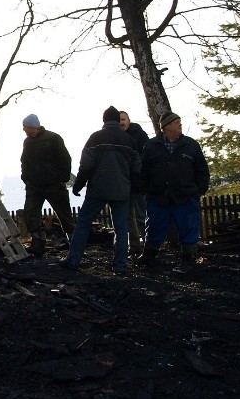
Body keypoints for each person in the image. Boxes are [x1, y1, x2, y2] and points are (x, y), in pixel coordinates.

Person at [62, 106, 140, 274]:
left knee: (83, 224)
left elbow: (86, 166)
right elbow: (136, 169)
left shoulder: (95, 138)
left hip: (98, 190)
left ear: (104, 120)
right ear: (117, 121)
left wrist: (78, 185)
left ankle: (73, 260)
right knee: (121, 228)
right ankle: (119, 265)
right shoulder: (129, 141)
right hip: (121, 191)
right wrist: (133, 189)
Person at [137, 111, 210, 273]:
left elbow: (202, 170)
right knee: (154, 226)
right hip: (158, 195)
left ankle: (188, 260)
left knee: (188, 227)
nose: (180, 125)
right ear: (166, 126)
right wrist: (145, 189)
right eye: (177, 122)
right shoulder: (151, 145)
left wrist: (199, 190)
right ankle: (148, 257)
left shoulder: (191, 145)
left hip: (185, 196)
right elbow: (144, 170)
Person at [20, 113, 75, 256]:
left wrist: (61, 178)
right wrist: (26, 177)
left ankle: (75, 243)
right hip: (34, 185)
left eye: (25, 127)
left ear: (33, 127)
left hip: (53, 184)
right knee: (31, 213)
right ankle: (38, 243)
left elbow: (65, 159)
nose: (24, 130)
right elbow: (24, 161)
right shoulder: (27, 142)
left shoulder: (53, 139)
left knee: (64, 214)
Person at [119, 110, 149, 255]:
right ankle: (135, 245)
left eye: (123, 119)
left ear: (129, 120)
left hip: (138, 182)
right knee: (128, 217)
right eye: (119, 120)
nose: (121, 122)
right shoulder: (116, 137)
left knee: (141, 216)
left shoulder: (140, 135)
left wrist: (141, 177)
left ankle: (148, 245)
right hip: (124, 183)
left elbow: (147, 157)